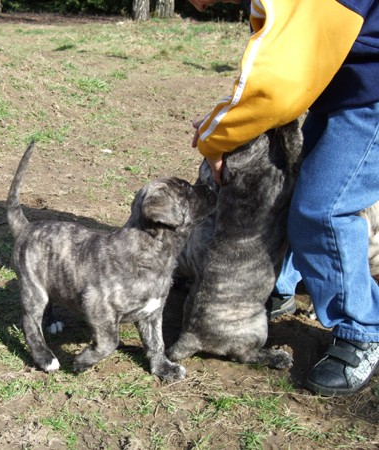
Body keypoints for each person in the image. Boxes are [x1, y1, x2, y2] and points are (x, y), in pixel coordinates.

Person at [186, 0, 379, 396]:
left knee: (323, 210)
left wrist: (216, 137)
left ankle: (362, 329)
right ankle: (280, 284)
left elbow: (276, 87)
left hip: (370, 93)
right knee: (294, 189)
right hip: (344, 86)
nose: (194, 5)